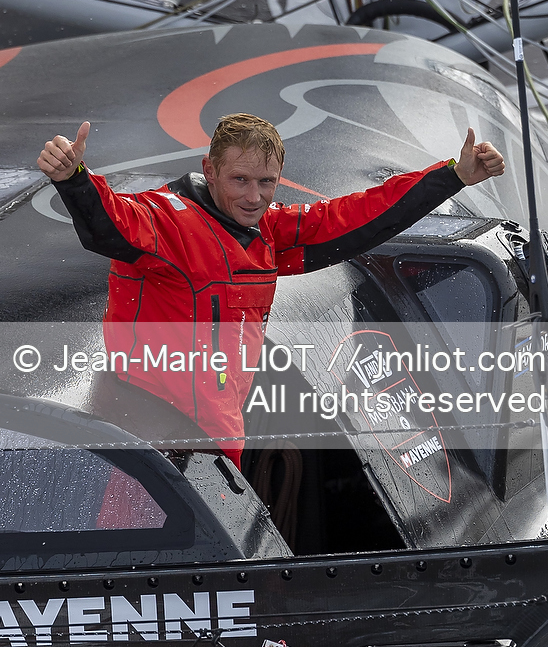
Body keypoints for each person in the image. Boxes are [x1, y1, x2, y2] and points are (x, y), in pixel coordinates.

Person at [38, 111, 505, 466]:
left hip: (216, 432)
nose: (253, 197)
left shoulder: (269, 231)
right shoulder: (165, 220)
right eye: (239, 180)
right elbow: (111, 226)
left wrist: (453, 176)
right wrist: (73, 179)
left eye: (266, 182)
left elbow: (355, 218)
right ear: (210, 169)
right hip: (148, 430)